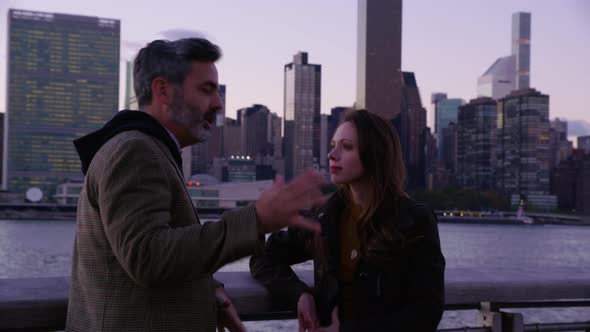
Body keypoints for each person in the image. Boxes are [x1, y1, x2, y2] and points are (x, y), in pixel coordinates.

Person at [66, 38, 325, 332]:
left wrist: (204, 289)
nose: (218, 103)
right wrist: (255, 220)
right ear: (163, 90)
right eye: (206, 89)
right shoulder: (135, 151)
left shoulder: (148, 148)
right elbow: (147, 256)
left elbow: (152, 249)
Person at [250, 109, 446, 331]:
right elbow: (263, 258)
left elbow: (426, 313)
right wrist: (300, 294)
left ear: (375, 154)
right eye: (333, 145)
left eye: (347, 147)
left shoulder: (414, 220)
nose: (332, 155)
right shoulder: (327, 217)